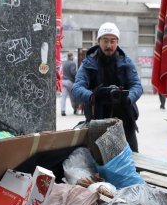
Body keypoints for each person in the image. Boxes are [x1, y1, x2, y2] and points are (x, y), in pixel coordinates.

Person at [72, 22, 143, 150]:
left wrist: (128, 98)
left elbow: (137, 85)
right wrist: (94, 96)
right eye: (105, 40)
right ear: (98, 41)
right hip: (97, 121)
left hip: (125, 121)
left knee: (131, 161)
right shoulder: (88, 63)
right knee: (99, 163)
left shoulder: (126, 62)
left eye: (113, 41)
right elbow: (76, 88)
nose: (109, 45)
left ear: (117, 42)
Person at [61, 51, 78, 116]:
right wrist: (77, 78)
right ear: (71, 56)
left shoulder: (64, 63)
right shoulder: (72, 63)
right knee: (72, 97)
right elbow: (73, 72)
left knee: (63, 97)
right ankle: (75, 109)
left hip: (63, 81)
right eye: (72, 56)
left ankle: (63, 110)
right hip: (69, 81)